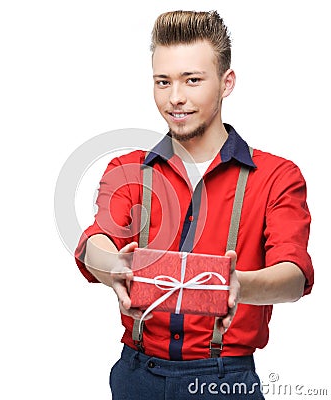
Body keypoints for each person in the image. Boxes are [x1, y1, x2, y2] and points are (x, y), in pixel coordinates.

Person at [74, 10, 314, 399]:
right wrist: (114, 266)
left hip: (224, 380)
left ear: (226, 82)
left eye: (193, 80)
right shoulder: (128, 168)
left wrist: (239, 285)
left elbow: (294, 275)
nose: (176, 98)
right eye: (163, 82)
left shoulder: (276, 176)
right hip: (135, 374)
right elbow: (97, 240)